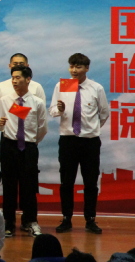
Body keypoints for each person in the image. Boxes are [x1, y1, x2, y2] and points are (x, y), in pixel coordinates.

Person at [50, 53, 110, 234]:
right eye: (72, 66)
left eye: (78, 67)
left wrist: (92, 129)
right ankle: (66, 218)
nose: (74, 70)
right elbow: (52, 110)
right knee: (66, 182)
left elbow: (104, 113)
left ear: (87, 68)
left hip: (90, 142)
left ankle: (90, 219)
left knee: (90, 182)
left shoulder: (96, 88)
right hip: (68, 140)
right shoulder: (62, 86)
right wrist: (59, 109)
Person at [0, 65, 47, 238]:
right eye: (13, 78)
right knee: (9, 186)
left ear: (28, 79)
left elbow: (42, 128)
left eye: (18, 77)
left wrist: (31, 142)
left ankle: (30, 221)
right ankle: (8, 222)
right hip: (9, 147)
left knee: (29, 187)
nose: (14, 81)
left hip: (28, 148)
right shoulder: (5, 100)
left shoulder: (37, 102)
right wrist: (0, 125)